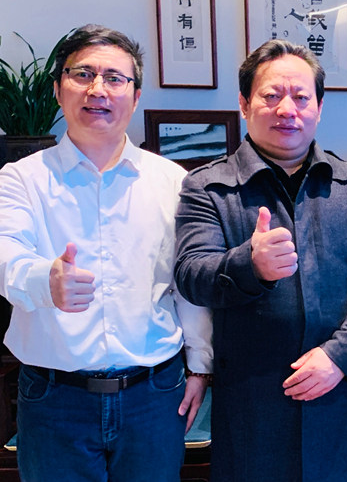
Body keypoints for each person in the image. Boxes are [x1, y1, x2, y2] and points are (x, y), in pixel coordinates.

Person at [173, 39, 347, 482]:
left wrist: (340, 355)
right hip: (251, 399)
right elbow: (191, 274)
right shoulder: (208, 187)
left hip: (336, 389)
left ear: (319, 107)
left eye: (301, 97)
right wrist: (249, 265)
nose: (287, 109)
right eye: (271, 95)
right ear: (244, 104)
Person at [0, 24, 213, 481]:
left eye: (115, 78)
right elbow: (6, 256)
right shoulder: (20, 179)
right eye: (83, 74)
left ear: (135, 97)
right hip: (55, 398)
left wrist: (200, 368)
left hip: (154, 394)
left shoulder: (172, 182)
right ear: (58, 89)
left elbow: (187, 286)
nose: (98, 89)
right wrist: (45, 280)